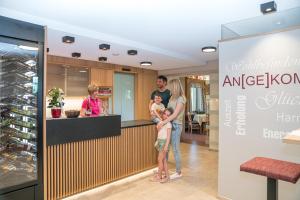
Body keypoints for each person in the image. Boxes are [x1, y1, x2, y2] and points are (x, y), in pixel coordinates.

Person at [157, 79, 186, 180]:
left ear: (176, 87)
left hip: (176, 126)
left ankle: (178, 172)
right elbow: (168, 111)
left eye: (171, 88)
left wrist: (163, 122)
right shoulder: (172, 98)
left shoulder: (181, 99)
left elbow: (175, 114)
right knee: (166, 149)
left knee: (175, 149)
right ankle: (164, 169)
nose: (170, 89)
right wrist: (160, 113)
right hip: (169, 124)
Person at [150, 108, 173, 183]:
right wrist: (158, 127)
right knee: (163, 160)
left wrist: (166, 146)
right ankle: (167, 176)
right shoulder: (162, 122)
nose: (166, 116)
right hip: (160, 142)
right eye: (165, 114)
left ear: (170, 116)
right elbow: (159, 131)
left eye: (168, 115)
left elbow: (169, 136)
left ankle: (159, 176)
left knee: (160, 160)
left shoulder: (169, 124)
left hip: (164, 143)